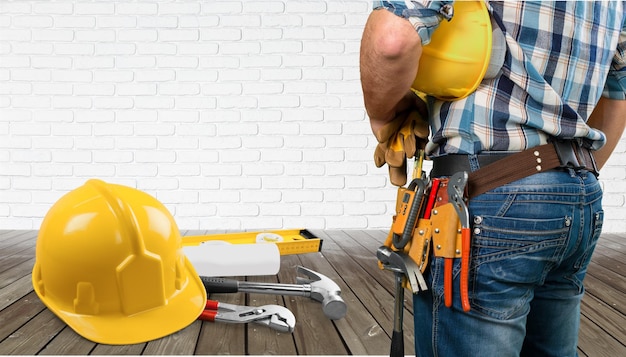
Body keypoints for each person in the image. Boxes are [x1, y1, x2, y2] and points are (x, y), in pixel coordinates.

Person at [360, 1, 626, 356]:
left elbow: (391, 40)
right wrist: (559, 182)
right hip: (580, 197)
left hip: (488, 200)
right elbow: (618, 93)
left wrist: (383, 115)